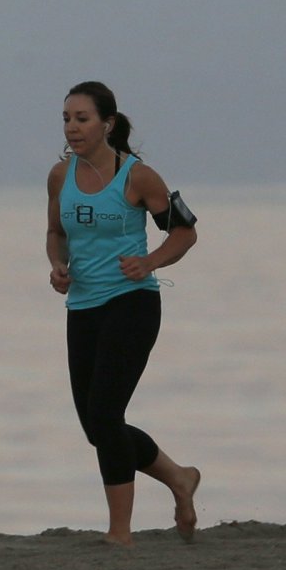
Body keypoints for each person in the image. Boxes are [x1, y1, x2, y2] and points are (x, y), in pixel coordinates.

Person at [45, 80, 202, 546]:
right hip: (83, 307)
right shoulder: (60, 176)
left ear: (107, 124)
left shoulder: (137, 176)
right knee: (97, 428)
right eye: (67, 119)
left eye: (82, 119)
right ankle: (178, 477)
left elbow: (185, 233)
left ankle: (120, 533)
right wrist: (57, 265)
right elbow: (55, 232)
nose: (72, 128)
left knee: (106, 413)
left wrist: (150, 261)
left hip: (132, 303)